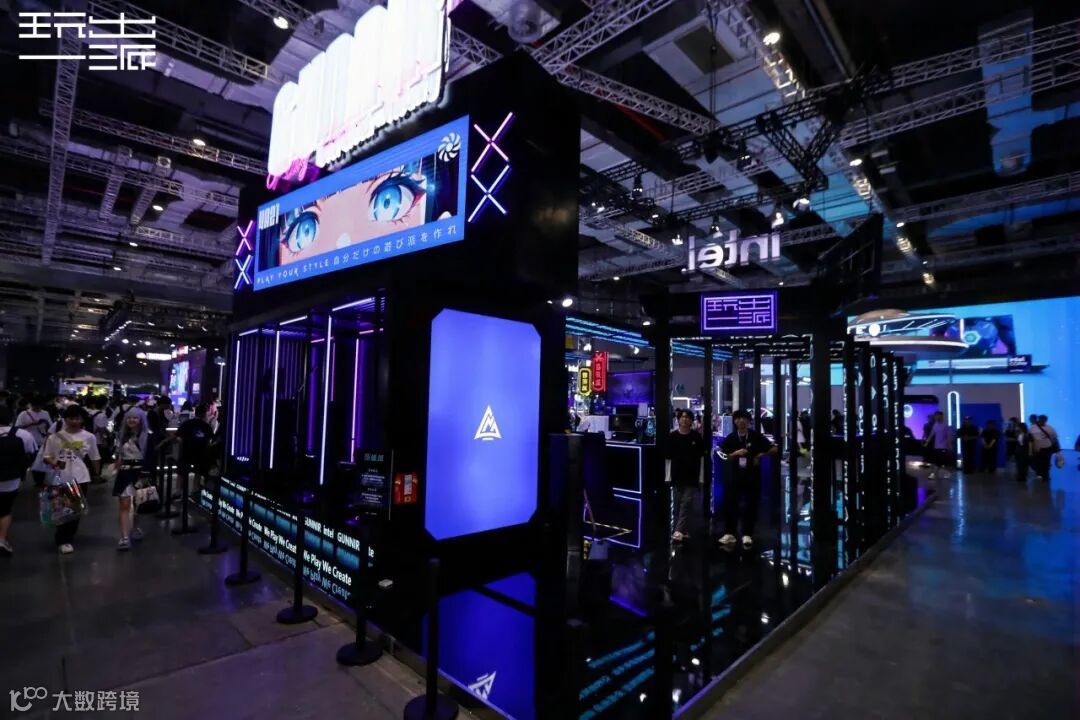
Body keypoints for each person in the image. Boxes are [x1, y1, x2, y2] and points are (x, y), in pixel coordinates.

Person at [42, 405, 101, 554]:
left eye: (77, 418)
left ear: (82, 419)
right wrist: (55, 463)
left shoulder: (89, 437)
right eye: (71, 418)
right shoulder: (54, 437)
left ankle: (67, 537)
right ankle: (62, 539)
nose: (74, 421)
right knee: (61, 509)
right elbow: (47, 456)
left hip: (80, 477)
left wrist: (97, 473)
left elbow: (95, 456)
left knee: (75, 510)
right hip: (59, 477)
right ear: (65, 419)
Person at [718, 409, 777, 549]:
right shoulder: (731, 437)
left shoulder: (756, 436)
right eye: (738, 419)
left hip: (752, 476)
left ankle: (747, 533)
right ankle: (730, 533)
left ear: (749, 421)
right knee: (731, 504)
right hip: (734, 476)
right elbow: (722, 454)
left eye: (744, 418)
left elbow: (774, 449)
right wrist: (735, 453)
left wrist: (760, 455)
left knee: (751, 504)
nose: (741, 421)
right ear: (734, 421)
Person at [0, 406, 38, 556]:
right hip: (10, 479)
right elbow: (31, 453)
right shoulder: (22, 434)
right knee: (5, 509)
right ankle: (2, 539)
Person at [112, 411, 149, 550]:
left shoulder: (147, 435)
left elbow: (150, 456)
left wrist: (146, 474)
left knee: (138, 504)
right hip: (125, 472)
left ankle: (135, 528)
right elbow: (118, 453)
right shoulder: (122, 435)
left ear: (141, 419)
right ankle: (124, 537)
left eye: (135, 418)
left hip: (141, 472)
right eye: (129, 418)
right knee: (124, 504)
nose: (132, 420)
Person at [666, 409, 703, 543]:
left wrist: (701, 478)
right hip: (676, 475)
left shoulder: (696, 437)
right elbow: (668, 458)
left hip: (692, 476)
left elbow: (701, 458)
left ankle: (678, 531)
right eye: (682, 417)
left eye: (687, 417)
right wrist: (668, 477)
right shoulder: (672, 436)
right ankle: (683, 529)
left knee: (686, 503)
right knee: (677, 504)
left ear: (691, 421)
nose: (684, 419)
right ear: (678, 419)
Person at [178, 404, 215, 503]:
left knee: (182, 473)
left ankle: (178, 492)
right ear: (204, 414)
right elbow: (209, 441)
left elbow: (179, 437)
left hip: (186, 452)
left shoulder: (187, 423)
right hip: (200, 454)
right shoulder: (206, 426)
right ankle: (194, 491)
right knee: (198, 473)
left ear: (196, 413)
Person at [16, 396, 52, 487]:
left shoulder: (45, 413)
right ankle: (26, 478)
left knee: (40, 461)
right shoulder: (24, 414)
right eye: (36, 406)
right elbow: (17, 427)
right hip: (28, 442)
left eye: (40, 406)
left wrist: (45, 423)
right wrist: (31, 424)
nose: (38, 408)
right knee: (30, 461)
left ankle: (39, 482)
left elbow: (50, 427)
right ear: (31, 405)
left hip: (41, 441)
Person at [1029, 415, 1058, 483]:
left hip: (1047, 447)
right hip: (1037, 448)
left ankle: (1045, 476)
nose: (1042, 421)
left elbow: (1054, 437)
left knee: (1046, 462)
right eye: (1041, 419)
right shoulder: (1033, 427)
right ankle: (1040, 474)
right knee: (1038, 461)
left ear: (1046, 420)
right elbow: (1030, 437)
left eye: (1043, 420)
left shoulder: (1049, 428)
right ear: (1038, 419)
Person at [924, 411, 952, 480]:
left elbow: (948, 437)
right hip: (936, 447)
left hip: (943, 447)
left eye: (937, 416)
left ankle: (934, 474)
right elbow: (931, 434)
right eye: (935, 416)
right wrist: (927, 442)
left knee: (939, 462)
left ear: (941, 416)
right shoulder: (935, 425)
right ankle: (939, 474)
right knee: (937, 462)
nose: (936, 417)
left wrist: (949, 447)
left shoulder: (946, 425)